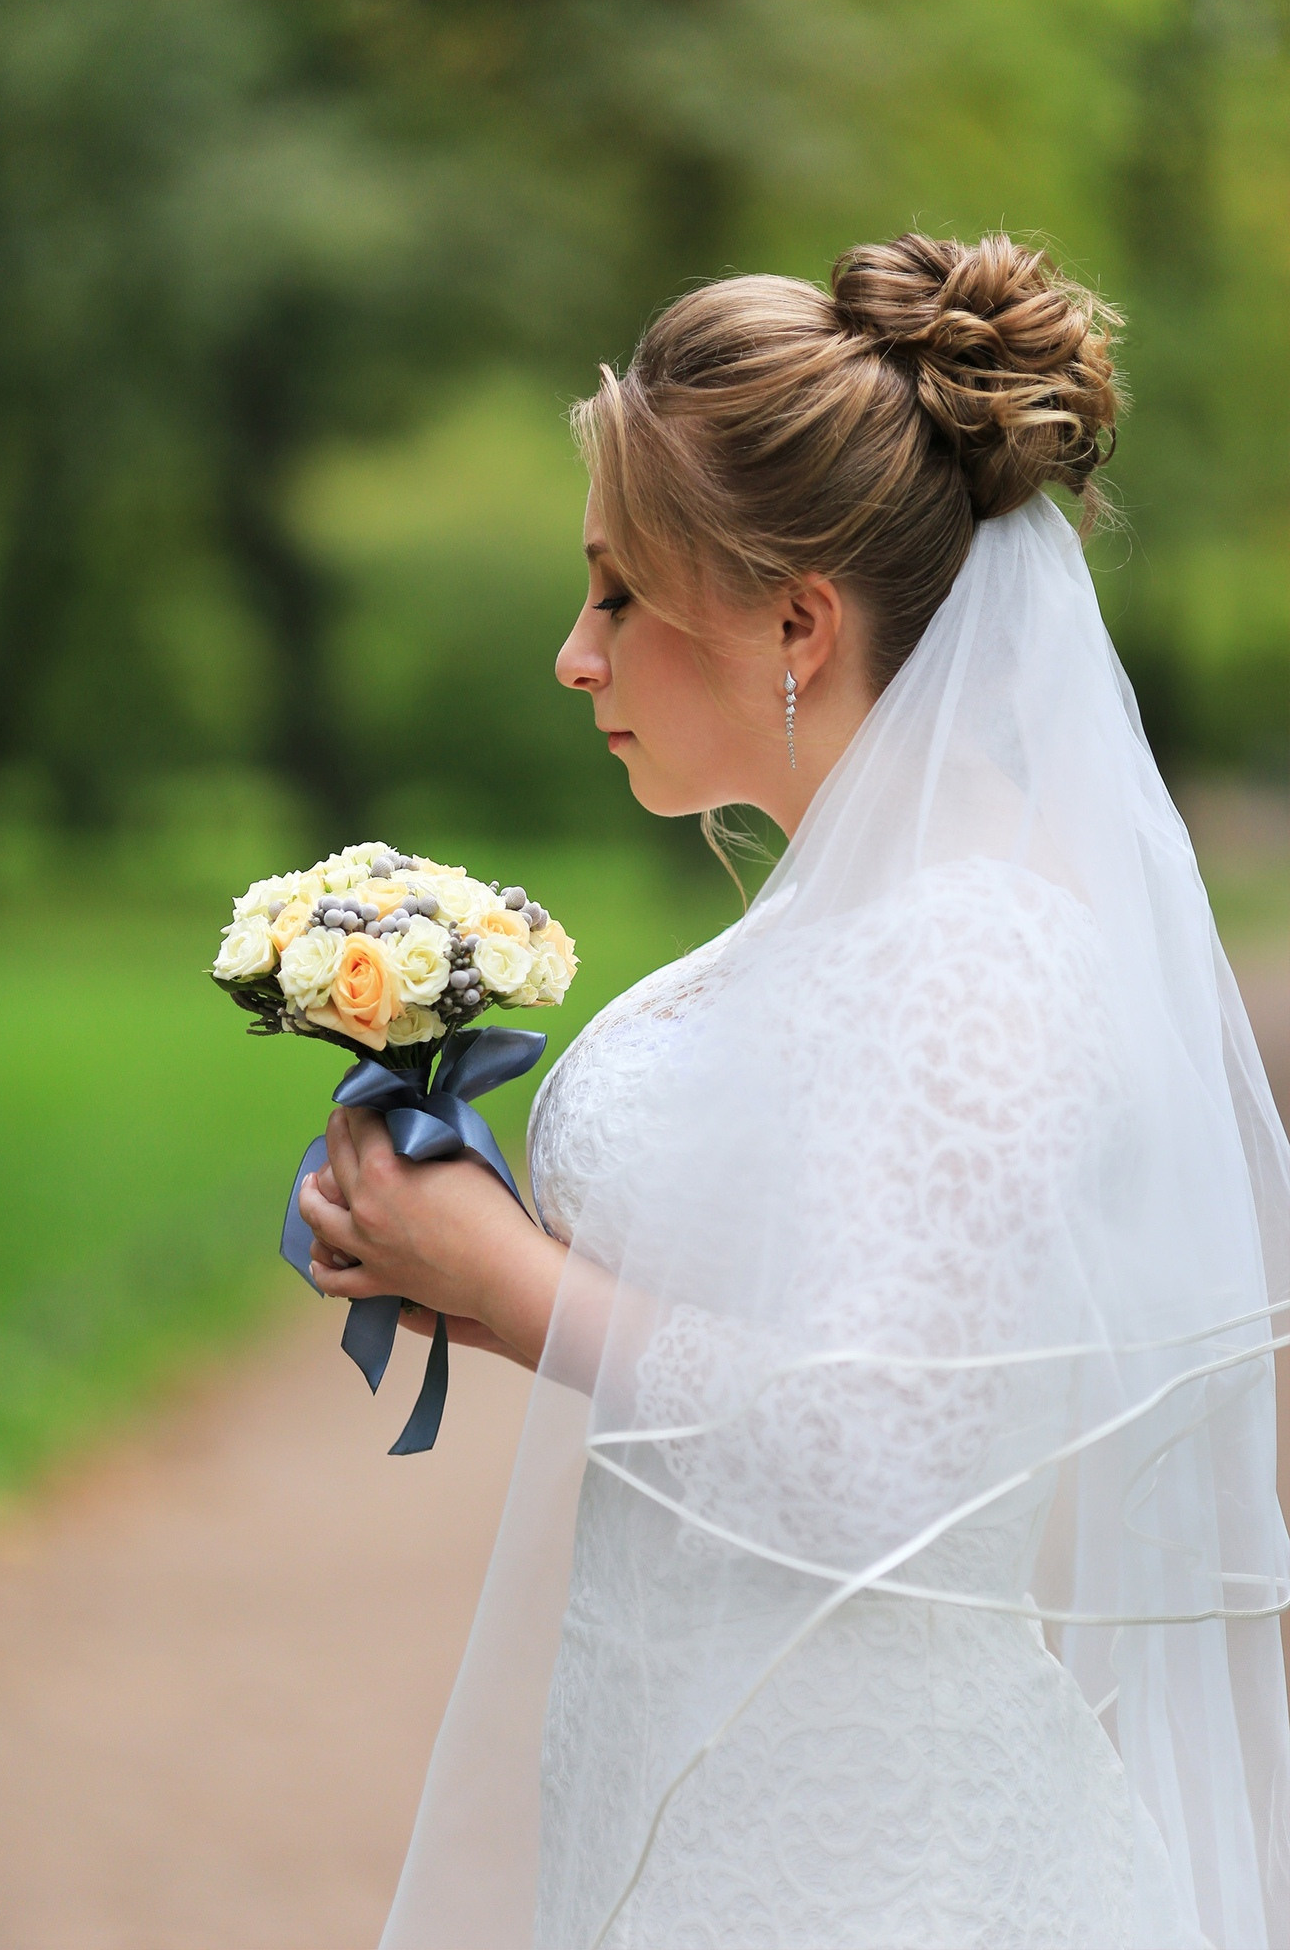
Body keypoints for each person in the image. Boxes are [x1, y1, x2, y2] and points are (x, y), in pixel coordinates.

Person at [303, 234, 1290, 1946]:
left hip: (872, 1861)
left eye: (617, 592)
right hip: (687, 1794)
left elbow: (897, 1459)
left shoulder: (980, 951)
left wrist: (525, 1293)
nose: (573, 653)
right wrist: (439, 1252)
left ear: (798, 621)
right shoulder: (847, 914)